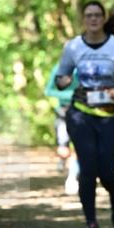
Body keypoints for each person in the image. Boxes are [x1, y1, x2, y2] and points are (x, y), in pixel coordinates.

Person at [56, 1, 114, 228]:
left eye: (98, 15)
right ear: (83, 19)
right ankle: (91, 223)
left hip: (109, 116)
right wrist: (64, 81)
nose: (93, 19)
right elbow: (60, 78)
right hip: (81, 115)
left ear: (103, 18)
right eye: (89, 15)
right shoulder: (73, 46)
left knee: (107, 172)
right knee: (87, 171)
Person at [44, 64, 79, 195]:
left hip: (81, 111)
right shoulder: (58, 69)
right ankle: (63, 158)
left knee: (80, 147)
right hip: (63, 112)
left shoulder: (85, 67)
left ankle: (72, 177)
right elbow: (48, 91)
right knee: (63, 149)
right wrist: (70, 95)